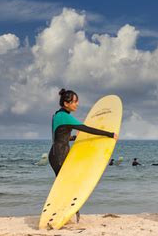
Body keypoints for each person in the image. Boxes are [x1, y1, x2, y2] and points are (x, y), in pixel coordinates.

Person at [48, 88, 118, 222]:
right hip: (60, 157)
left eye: (77, 101)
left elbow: (59, 137)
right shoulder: (65, 117)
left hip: (55, 154)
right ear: (66, 103)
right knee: (68, 187)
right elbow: (87, 129)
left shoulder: (56, 115)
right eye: (74, 101)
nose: (77, 104)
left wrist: (73, 137)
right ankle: (67, 215)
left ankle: (67, 214)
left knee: (65, 187)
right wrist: (110, 135)